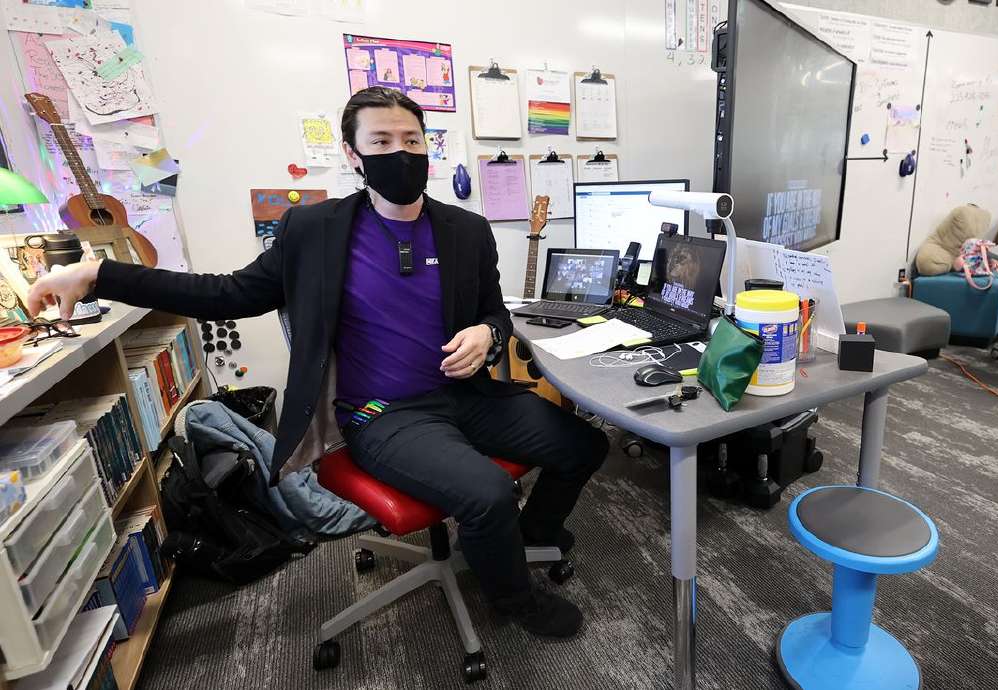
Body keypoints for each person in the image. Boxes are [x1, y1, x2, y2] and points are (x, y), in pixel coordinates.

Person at [27, 87, 608, 640]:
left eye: (412, 140)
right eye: (381, 142)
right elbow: (226, 294)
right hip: (384, 414)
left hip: (465, 397)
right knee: (486, 495)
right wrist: (98, 273)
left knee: (585, 445)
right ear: (353, 154)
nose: (400, 153)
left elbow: (495, 312)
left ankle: (532, 535)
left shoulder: (467, 230)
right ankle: (513, 599)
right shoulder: (315, 230)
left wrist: (487, 331)